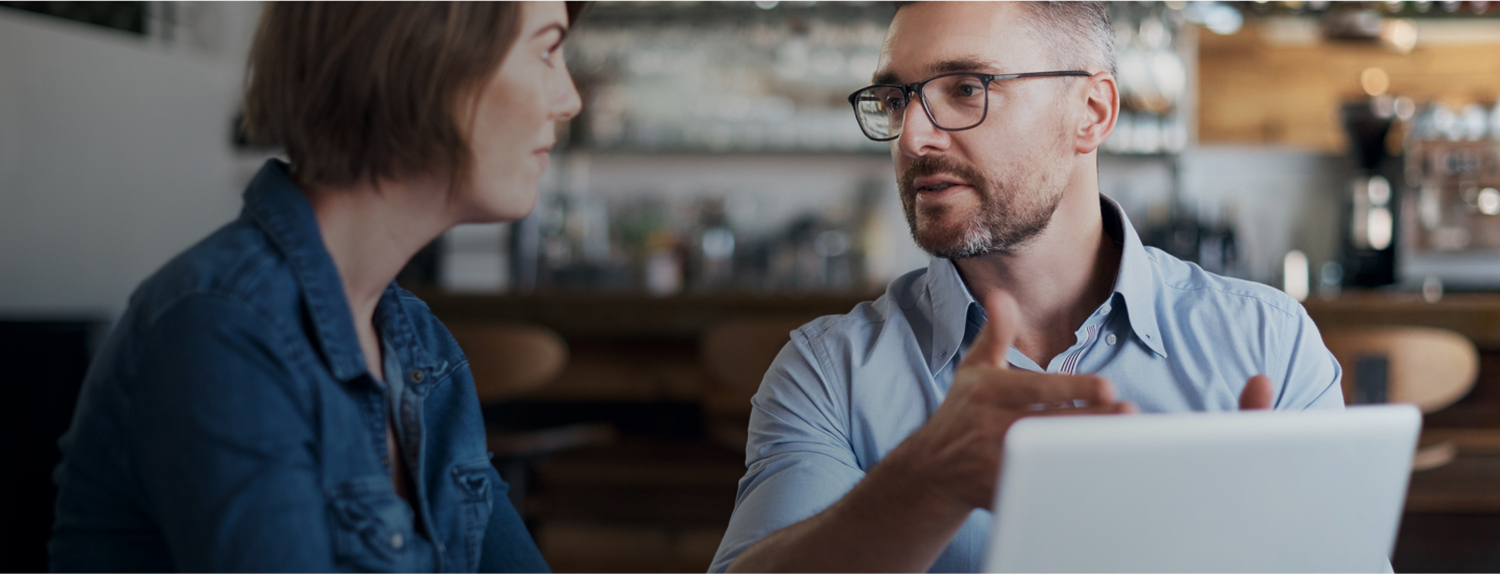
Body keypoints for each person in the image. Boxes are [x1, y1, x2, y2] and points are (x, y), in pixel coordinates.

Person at [709, 2, 1343, 572]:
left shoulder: (1268, 345)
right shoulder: (829, 372)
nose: (913, 137)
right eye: (898, 99)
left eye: (965, 88)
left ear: (1091, 113)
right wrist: (926, 483)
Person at [49, 2, 582, 571]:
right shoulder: (220, 334)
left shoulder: (424, 351)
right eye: (547, 49)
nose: (570, 98)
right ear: (422, 54)